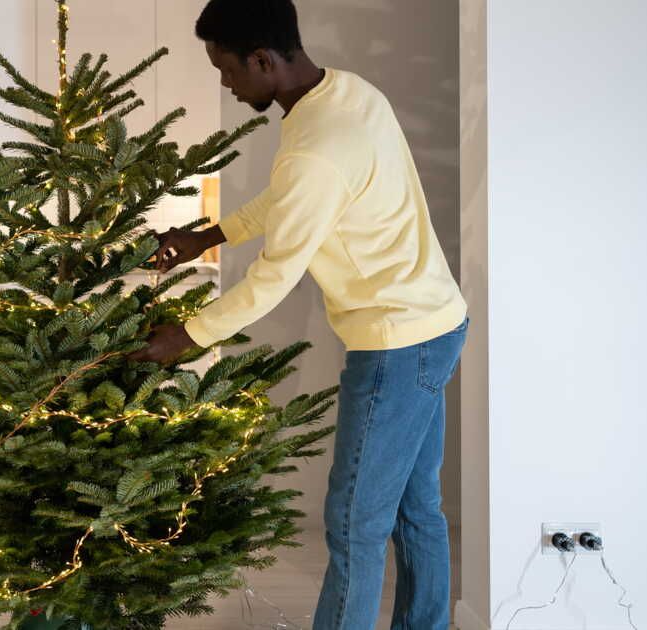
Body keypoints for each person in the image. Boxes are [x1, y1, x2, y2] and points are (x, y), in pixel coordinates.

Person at [128, 1, 468, 628]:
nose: (226, 85)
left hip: (395, 343)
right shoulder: (345, 94)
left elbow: (275, 275)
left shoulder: (318, 145)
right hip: (434, 323)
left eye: (226, 70)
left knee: (354, 524)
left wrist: (191, 334)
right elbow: (294, 200)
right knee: (417, 508)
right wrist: (212, 235)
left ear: (263, 59)